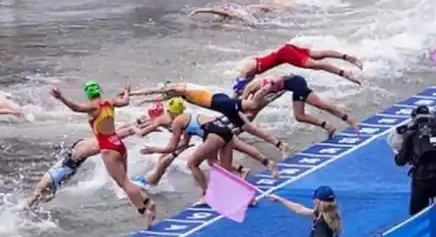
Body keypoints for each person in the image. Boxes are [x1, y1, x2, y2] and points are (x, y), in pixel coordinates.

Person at [49, 81, 156, 226]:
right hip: (118, 144)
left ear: (88, 94)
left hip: (108, 148)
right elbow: (125, 102)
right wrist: (126, 91)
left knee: (123, 183)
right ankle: (147, 202)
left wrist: (61, 97)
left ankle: (144, 211)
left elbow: (76, 107)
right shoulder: (109, 102)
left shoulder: (93, 107)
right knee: (125, 180)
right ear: (99, 91)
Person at [27, 103, 170, 205]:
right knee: (44, 190)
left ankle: (28, 207)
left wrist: (147, 126)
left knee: (43, 190)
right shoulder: (104, 139)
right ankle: (28, 207)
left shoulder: (100, 141)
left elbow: (124, 131)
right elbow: (123, 130)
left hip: (70, 163)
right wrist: (143, 124)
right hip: (71, 163)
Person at [137, 97, 278, 188]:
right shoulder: (187, 117)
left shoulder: (176, 122)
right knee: (224, 166)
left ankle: (205, 193)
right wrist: (176, 151)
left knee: (192, 164)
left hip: (214, 134)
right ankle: (262, 165)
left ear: (170, 111)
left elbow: (172, 146)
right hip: (223, 128)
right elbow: (183, 144)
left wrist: (154, 149)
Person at [131, 82, 287, 151]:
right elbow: (158, 95)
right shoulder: (181, 91)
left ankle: (271, 86)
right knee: (248, 127)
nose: (167, 93)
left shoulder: (180, 89)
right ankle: (279, 144)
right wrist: (141, 98)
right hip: (218, 102)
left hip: (220, 102)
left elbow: (155, 91)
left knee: (252, 105)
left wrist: (135, 94)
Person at [241, 74, 359, 138]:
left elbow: (277, 78)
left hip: (296, 83)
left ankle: (346, 120)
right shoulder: (253, 90)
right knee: (302, 114)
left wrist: (273, 83)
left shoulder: (255, 87)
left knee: (315, 106)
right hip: (295, 84)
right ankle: (329, 125)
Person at [232, 42, 362, 93]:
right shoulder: (248, 65)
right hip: (285, 49)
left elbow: (242, 85)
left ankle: (345, 73)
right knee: (319, 55)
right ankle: (348, 57)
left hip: (286, 55)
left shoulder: (246, 69)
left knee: (317, 65)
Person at [393, 105, 436, 216]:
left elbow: (400, 161)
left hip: (421, 179)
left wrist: (396, 154)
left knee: (417, 216)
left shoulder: (410, 133)